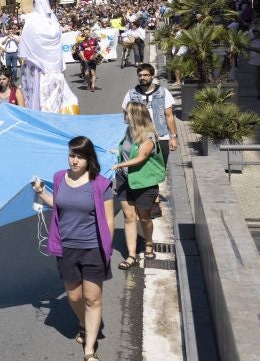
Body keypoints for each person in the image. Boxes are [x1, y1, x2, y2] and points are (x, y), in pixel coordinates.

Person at [32, 136, 114, 361]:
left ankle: (90, 350)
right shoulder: (59, 178)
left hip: (93, 249)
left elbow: (108, 222)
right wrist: (41, 191)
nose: (74, 161)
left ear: (89, 159)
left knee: (92, 299)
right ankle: (83, 321)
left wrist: (106, 250)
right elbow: (57, 203)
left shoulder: (100, 184)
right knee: (74, 297)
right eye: (72, 155)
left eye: (79, 157)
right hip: (67, 248)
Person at [113, 102, 166, 271]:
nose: (123, 115)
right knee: (129, 217)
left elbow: (141, 157)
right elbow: (126, 152)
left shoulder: (149, 136)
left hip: (144, 183)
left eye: (126, 113)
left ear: (134, 115)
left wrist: (119, 166)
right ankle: (131, 255)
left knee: (144, 218)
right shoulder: (129, 131)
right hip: (125, 181)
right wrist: (116, 155)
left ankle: (148, 242)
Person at [121, 63, 176, 218]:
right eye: (140, 75)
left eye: (146, 75)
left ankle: (153, 201)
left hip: (161, 137)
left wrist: (173, 137)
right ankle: (145, 202)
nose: (142, 78)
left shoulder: (163, 93)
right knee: (141, 168)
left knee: (157, 169)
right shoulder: (131, 93)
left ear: (152, 76)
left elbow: (169, 116)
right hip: (139, 138)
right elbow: (125, 115)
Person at [19, 0, 79, 114]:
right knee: (57, 98)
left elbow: (25, 43)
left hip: (40, 70)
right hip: (56, 69)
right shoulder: (53, 21)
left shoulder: (32, 20)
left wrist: (23, 57)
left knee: (44, 99)